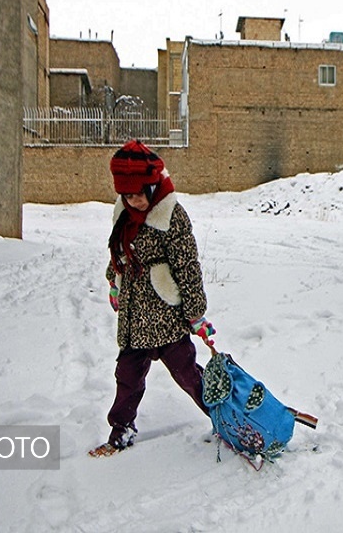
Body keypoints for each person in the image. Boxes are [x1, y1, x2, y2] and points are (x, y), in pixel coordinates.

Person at [90, 140, 215, 457]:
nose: (132, 200)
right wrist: (113, 281)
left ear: (151, 185)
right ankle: (121, 430)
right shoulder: (124, 212)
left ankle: (224, 420)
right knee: (127, 378)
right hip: (134, 317)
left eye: (136, 194)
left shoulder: (172, 216)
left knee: (189, 376)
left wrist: (195, 313)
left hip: (166, 317)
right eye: (125, 194)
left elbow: (187, 267)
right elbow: (119, 249)